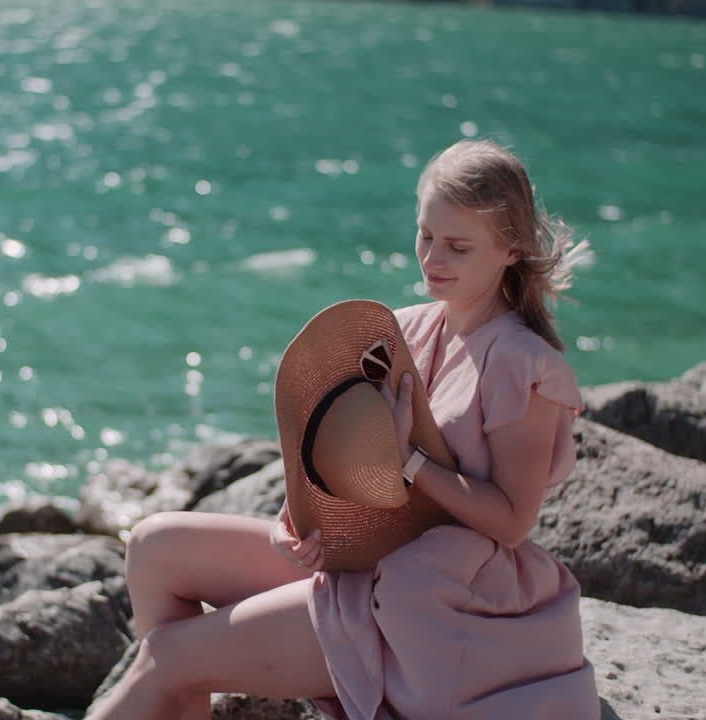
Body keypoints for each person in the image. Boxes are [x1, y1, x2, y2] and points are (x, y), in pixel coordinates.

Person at [85, 139, 599, 720]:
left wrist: (410, 459)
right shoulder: (400, 329)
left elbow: (511, 522)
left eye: (458, 246)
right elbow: (342, 461)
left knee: (167, 656)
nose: (433, 259)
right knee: (154, 546)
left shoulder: (523, 366)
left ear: (511, 250)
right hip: (367, 559)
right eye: (425, 236)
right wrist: (299, 520)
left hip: (440, 601)